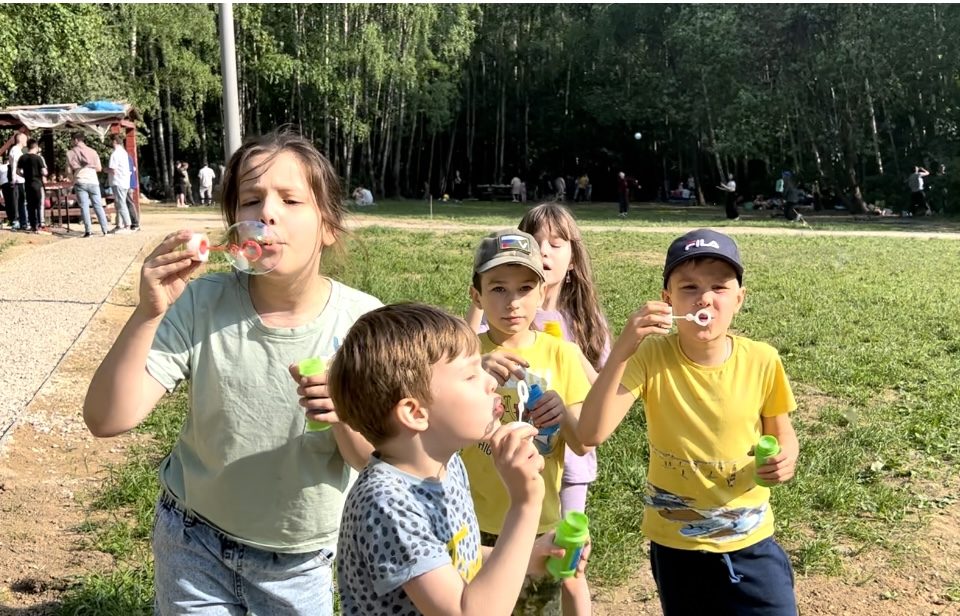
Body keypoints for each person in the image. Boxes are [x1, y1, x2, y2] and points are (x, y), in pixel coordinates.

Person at [82, 130, 383, 616]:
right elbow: (106, 418)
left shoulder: (363, 325)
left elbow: (378, 464)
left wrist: (345, 415)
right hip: (193, 543)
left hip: (300, 563)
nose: (267, 213)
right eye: (251, 199)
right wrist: (147, 313)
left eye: (290, 199)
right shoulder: (203, 303)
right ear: (234, 227)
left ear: (329, 226)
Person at [578, 229, 799, 616]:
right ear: (667, 300)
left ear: (739, 299)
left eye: (720, 287)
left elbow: (781, 432)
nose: (705, 298)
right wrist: (623, 351)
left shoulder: (762, 360)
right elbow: (589, 432)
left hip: (751, 544)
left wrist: (786, 457)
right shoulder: (649, 357)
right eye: (689, 287)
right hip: (676, 546)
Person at [330, 303, 575, 615]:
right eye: (471, 375)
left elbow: (458, 557)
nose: (490, 382)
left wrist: (530, 554)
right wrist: (525, 504)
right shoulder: (386, 504)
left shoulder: (446, 464)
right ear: (415, 413)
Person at [466, 203, 609, 616]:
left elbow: (583, 442)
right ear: (477, 294)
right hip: (471, 526)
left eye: (525, 289)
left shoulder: (562, 354)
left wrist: (562, 410)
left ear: (542, 291)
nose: (513, 302)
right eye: (498, 288)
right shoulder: (461, 353)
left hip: (538, 526)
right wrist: (475, 373)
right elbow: (432, 430)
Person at [66, 132, 109, 237]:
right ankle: (105, 230)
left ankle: (88, 231)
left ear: (75, 140)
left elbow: (68, 171)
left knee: (84, 206)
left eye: (72, 140)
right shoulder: (93, 152)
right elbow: (99, 168)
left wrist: (73, 179)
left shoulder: (70, 153)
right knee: (98, 205)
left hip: (80, 180)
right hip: (93, 180)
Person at [15, 138, 47, 232]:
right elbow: (44, 171)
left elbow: (17, 171)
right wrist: (44, 173)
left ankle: (33, 225)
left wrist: (24, 175)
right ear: (36, 147)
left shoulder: (22, 157)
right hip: (37, 183)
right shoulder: (38, 158)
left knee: (30, 205)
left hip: (27, 183)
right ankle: (40, 224)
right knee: (39, 204)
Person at [107, 136, 133, 233]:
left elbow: (112, 169)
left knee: (121, 203)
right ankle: (119, 224)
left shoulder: (115, 154)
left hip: (118, 181)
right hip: (124, 181)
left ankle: (127, 224)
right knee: (119, 203)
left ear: (114, 142)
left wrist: (104, 169)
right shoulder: (124, 153)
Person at [7, 132, 26, 230]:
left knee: (21, 201)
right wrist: (14, 180)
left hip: (20, 179)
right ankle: (17, 221)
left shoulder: (18, 150)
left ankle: (22, 222)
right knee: (17, 201)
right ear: (21, 140)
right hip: (17, 180)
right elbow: (14, 166)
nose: (26, 141)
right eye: (25, 139)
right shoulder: (16, 150)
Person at [126, 152, 141, 231]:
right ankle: (133, 223)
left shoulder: (125, 157)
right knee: (129, 203)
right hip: (130, 183)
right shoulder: (129, 157)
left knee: (129, 203)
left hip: (127, 184)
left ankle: (135, 223)